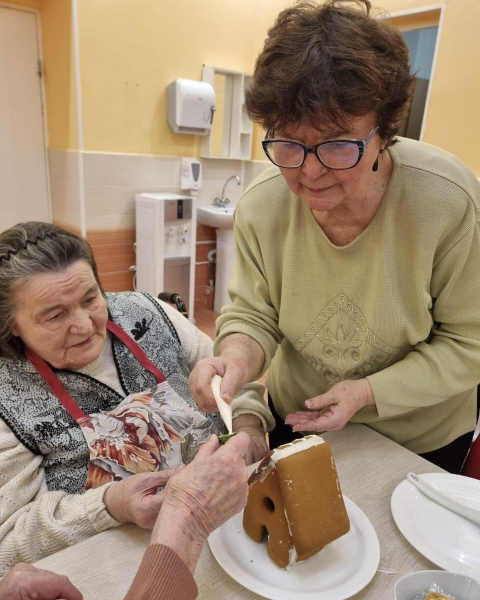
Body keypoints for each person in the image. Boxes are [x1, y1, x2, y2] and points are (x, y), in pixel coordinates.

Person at [190, 0, 480, 474]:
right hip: (300, 420)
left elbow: (470, 343)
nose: (310, 172)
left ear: (384, 131)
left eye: (339, 145)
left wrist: (367, 392)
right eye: (289, 143)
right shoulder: (262, 207)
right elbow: (254, 313)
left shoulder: (447, 201)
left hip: (417, 439)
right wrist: (236, 361)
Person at [0, 221, 274, 574]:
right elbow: (9, 541)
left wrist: (249, 427)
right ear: (11, 325)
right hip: (128, 565)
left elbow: (235, 377)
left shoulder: (146, 313)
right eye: (55, 315)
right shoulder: (8, 395)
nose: (84, 325)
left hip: (236, 525)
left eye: (90, 299)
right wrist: (109, 505)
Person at [0, 432, 250, 600]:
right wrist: (107, 504)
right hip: (126, 573)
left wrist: (249, 421)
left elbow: (239, 391)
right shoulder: (9, 424)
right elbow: (7, 547)